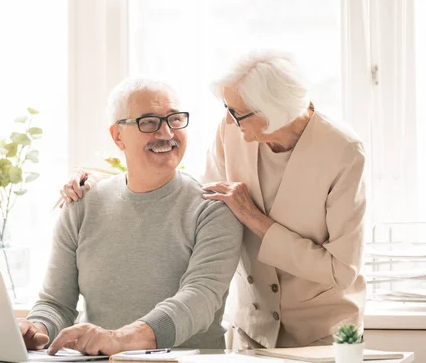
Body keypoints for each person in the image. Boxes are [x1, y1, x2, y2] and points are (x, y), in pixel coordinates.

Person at [59, 51, 367, 349]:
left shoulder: (342, 152)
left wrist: (256, 220)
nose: (229, 121)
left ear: (271, 114)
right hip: (253, 330)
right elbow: (197, 196)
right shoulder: (232, 132)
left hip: (321, 336)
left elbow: (341, 270)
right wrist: (107, 187)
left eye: (237, 112)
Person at [19, 77, 243, 356]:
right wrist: (37, 328)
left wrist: (119, 339)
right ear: (117, 136)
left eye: (174, 119)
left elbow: (198, 301)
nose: (166, 133)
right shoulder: (81, 205)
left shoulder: (212, 208)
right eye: (148, 122)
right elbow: (56, 303)